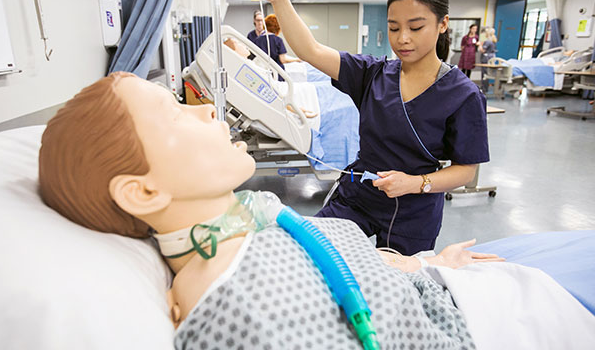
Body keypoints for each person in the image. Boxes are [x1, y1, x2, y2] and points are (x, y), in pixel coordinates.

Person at [37, 73, 595, 350]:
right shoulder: (241, 310)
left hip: (461, 281)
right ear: (142, 193)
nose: (207, 111)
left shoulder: (254, 230)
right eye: (176, 114)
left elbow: (352, 279)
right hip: (500, 323)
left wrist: (428, 267)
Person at [249, 0, 489, 255]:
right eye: (393, 27)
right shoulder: (373, 73)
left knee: (398, 285)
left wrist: (415, 183)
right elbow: (310, 50)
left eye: (415, 27)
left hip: (414, 211)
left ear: (442, 23)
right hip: (359, 196)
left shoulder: (463, 94)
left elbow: (465, 171)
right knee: (310, 254)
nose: (402, 38)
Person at [253, 14, 301, 80]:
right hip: (277, 73)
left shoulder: (257, 40)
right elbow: (283, 60)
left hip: (263, 73)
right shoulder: (278, 40)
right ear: (278, 27)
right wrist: (297, 60)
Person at [479, 27, 498, 93]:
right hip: (491, 58)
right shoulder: (493, 40)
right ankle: (484, 88)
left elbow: (483, 50)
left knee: (484, 74)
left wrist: (480, 45)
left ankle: (484, 89)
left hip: (486, 59)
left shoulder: (487, 41)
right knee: (487, 73)